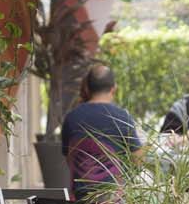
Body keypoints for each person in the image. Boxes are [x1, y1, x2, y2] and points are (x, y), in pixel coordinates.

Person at [59, 62, 140, 192]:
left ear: (88, 88)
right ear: (114, 88)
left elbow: (70, 159)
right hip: (115, 202)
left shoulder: (72, 118)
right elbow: (137, 160)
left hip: (81, 199)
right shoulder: (123, 117)